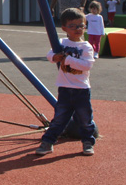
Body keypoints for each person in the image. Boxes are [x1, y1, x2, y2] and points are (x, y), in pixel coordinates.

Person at [34, 8, 97, 156]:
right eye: (73, 26)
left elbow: (86, 65)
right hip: (64, 88)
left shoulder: (86, 46)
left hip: (81, 89)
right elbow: (50, 54)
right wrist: (54, 57)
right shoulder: (62, 43)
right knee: (59, 118)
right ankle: (48, 141)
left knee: (85, 118)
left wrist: (67, 59)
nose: (78, 29)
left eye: (81, 25)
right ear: (64, 28)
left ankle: (88, 141)